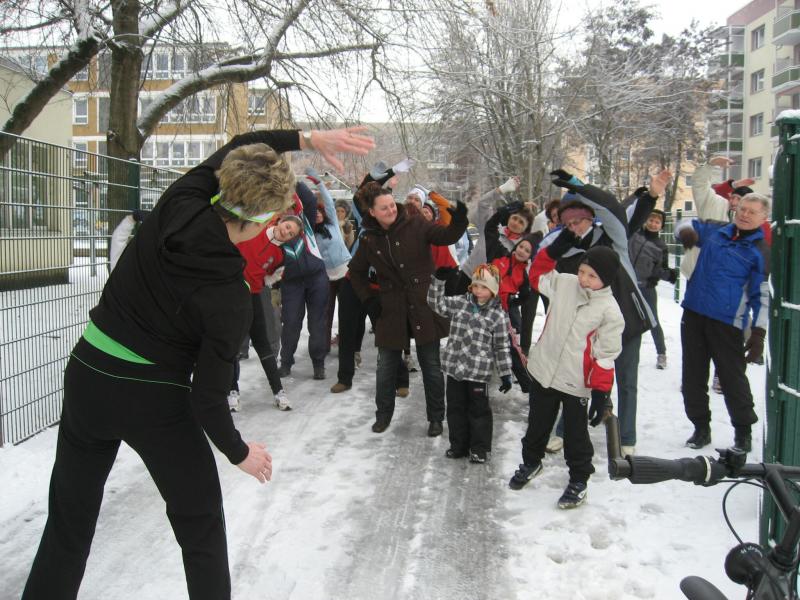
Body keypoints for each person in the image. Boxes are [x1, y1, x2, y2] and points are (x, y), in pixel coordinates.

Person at [21, 126, 374, 600]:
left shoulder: (182, 197)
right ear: (262, 219)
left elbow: (241, 142)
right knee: (200, 523)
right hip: (153, 401)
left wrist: (307, 138)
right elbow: (208, 399)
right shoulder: (230, 294)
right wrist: (239, 452)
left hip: (88, 372)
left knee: (69, 520)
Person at [540, 169, 670, 457]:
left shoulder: (613, 236)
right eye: (568, 223)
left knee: (626, 380)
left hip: (628, 321)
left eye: (578, 220)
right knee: (579, 379)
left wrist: (578, 186)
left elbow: (612, 207)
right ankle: (563, 430)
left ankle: (627, 437)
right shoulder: (567, 250)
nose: (574, 226)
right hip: (590, 327)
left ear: (590, 216)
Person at [509, 244, 624, 509]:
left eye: (592, 276)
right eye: (582, 271)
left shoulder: (610, 311)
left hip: (576, 382)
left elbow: (606, 355)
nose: (584, 279)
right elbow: (537, 275)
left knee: (575, 435)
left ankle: (579, 480)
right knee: (537, 423)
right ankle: (531, 462)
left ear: (606, 279)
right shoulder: (565, 283)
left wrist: (600, 392)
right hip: (544, 369)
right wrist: (555, 248)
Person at [348, 182, 468, 436]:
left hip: (423, 303)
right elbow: (356, 273)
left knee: (431, 366)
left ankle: (436, 418)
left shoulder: (416, 224)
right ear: (372, 212)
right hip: (391, 308)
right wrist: (369, 300)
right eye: (384, 208)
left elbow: (446, 236)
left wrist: (459, 221)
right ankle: (383, 415)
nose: (391, 210)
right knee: (386, 367)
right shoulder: (369, 239)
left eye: (392, 204)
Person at [675, 193, 770, 453]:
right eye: (742, 209)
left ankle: (743, 432)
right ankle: (700, 428)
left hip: (727, 323)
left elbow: (761, 295)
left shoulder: (760, 251)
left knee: (732, 379)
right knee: (692, 377)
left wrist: (759, 332)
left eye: (752, 211)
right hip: (694, 314)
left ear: (764, 217)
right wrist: (685, 233)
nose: (745, 214)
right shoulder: (717, 232)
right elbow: (683, 225)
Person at [427, 263, 513, 463]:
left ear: (493, 290)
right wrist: (438, 282)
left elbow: (501, 346)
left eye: (484, 287)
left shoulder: (498, 316)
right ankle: (458, 446)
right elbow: (436, 304)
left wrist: (505, 373)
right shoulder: (460, 303)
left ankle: (479, 449)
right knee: (455, 409)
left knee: (478, 412)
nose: (478, 290)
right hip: (455, 370)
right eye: (475, 286)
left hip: (477, 374)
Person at [231, 213, 303, 411]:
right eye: (287, 226)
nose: (286, 232)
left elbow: (271, 277)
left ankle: (278, 391)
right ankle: (232, 390)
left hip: (253, 295)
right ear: (280, 221)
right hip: (230, 291)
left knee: (262, 342)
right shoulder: (257, 227)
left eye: (291, 233)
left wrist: (261, 280)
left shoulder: (280, 256)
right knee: (232, 343)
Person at [277, 182, 330, 380]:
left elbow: (309, 199)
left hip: (316, 278)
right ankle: (286, 362)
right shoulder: (273, 231)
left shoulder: (304, 221)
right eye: (283, 208)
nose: (287, 211)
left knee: (317, 323)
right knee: (290, 322)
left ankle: (318, 363)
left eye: (290, 206)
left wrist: (292, 181)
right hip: (291, 283)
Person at [628, 208, 678, 369]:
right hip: (628, 284)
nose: (653, 224)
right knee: (624, 319)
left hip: (646, 288)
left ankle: (661, 353)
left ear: (661, 226)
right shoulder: (635, 236)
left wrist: (669, 275)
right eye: (651, 220)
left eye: (657, 222)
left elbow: (661, 269)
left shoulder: (661, 246)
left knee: (652, 320)